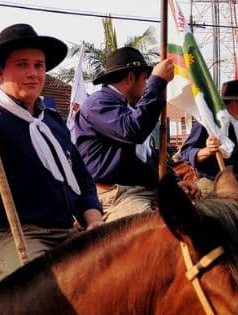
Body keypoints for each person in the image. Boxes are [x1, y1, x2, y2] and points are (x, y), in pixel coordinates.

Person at [0, 24, 102, 286]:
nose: (33, 73)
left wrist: (94, 221)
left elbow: (81, 179)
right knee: (45, 292)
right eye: (22, 65)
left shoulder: (53, 121)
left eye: (39, 65)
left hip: (64, 233)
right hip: (6, 237)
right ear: (0, 72)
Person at [71, 47, 175, 221]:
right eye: (145, 79)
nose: (146, 85)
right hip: (116, 196)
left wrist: (175, 180)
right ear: (131, 78)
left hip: (145, 191)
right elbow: (133, 130)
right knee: (152, 230)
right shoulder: (97, 104)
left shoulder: (131, 109)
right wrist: (157, 83)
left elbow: (149, 157)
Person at [180, 77, 238, 188]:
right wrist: (208, 150)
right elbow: (186, 152)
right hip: (217, 186)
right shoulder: (208, 124)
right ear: (235, 101)